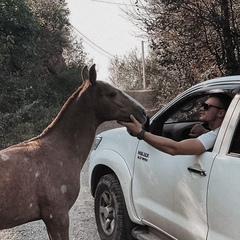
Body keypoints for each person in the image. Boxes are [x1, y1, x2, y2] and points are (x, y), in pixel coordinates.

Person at [118, 93, 232, 156]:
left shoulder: (215, 136)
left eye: (207, 106)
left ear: (221, 113)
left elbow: (174, 149)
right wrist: (205, 132)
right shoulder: (226, 134)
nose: (201, 109)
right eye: (202, 105)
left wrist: (140, 132)